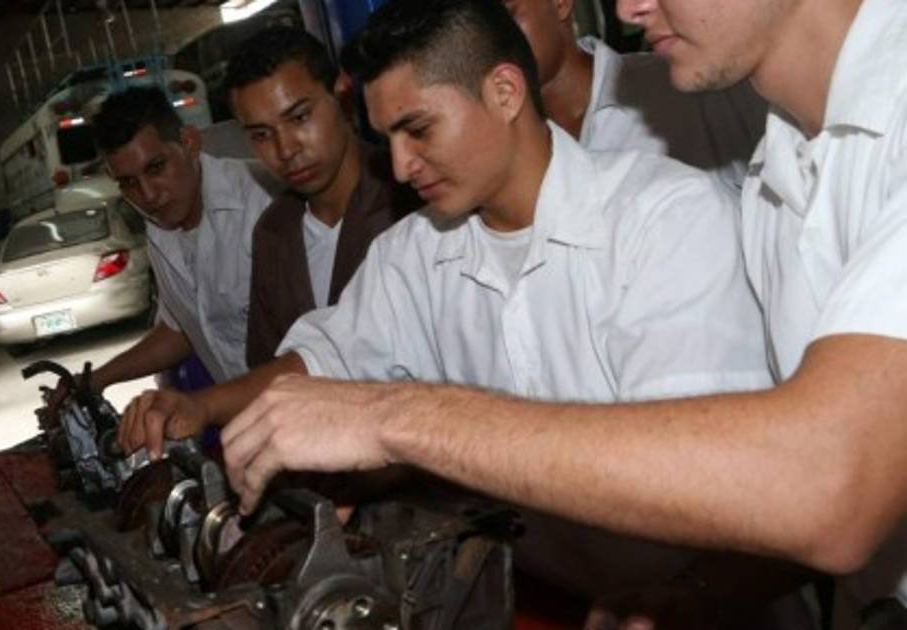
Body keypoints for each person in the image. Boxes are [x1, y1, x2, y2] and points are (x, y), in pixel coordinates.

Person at [218, 0, 907, 627]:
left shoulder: (669, 215)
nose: (630, 8)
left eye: (418, 129)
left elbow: (812, 484)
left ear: (503, 93)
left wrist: (394, 421)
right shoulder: (774, 178)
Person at [223, 25, 420, 368]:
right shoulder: (273, 232)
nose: (285, 150)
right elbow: (267, 367)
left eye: (300, 117)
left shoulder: (411, 197)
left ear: (342, 95)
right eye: (262, 134)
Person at [85, 87, 278, 393]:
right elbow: (183, 329)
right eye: (129, 182)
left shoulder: (262, 205)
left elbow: (311, 347)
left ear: (189, 142)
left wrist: (202, 408)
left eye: (156, 168)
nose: (147, 195)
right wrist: (93, 380)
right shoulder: (160, 229)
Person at [503, 0, 766, 193]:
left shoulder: (695, 84)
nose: (491, 43)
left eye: (506, 16)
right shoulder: (496, 154)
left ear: (560, 3)